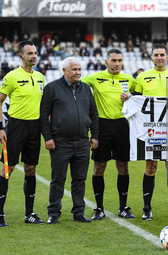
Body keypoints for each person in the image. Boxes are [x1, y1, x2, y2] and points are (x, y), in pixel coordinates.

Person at [134, 44, 168, 220]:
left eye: (162, 55)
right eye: (156, 55)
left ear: (167, 57)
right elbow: (136, 101)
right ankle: (147, 208)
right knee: (151, 167)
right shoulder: (142, 77)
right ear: (151, 57)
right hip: (151, 129)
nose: (159, 57)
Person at [40, 57, 99, 224]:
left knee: (80, 179)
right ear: (64, 71)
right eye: (74, 70)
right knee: (58, 179)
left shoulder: (86, 89)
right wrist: (48, 138)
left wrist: (94, 136)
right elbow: (44, 116)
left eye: (79, 69)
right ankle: (53, 213)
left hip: (82, 142)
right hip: (60, 142)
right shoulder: (52, 88)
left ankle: (79, 213)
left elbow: (93, 114)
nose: (78, 73)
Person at [0, 41, 45, 227]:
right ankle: (0, 215)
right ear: (21, 56)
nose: (33, 56)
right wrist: (0, 127)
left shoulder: (40, 77)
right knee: (8, 169)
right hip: (15, 127)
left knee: (31, 169)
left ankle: (29, 214)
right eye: (30, 53)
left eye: (35, 53)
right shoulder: (12, 76)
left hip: (35, 128)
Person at [81, 49, 136, 221]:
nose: (117, 63)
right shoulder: (95, 78)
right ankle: (99, 208)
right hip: (101, 125)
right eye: (113, 60)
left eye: (119, 60)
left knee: (123, 166)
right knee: (99, 167)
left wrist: (131, 96)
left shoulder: (129, 79)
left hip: (122, 125)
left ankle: (123, 207)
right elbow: (75, 84)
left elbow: (141, 95)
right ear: (106, 61)